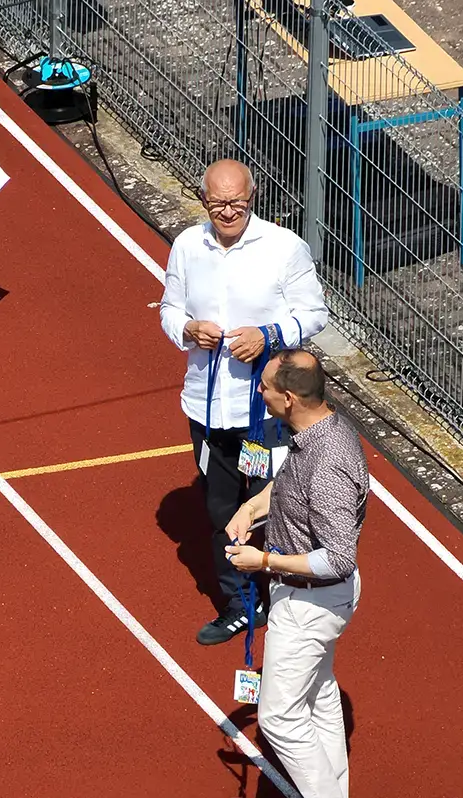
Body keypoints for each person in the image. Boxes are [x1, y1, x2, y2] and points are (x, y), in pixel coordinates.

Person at [159, 159, 329, 647]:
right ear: (203, 200)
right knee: (220, 509)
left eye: (237, 202)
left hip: (267, 413)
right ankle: (241, 603)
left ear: (252, 198)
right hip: (206, 407)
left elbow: (314, 313)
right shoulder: (187, 246)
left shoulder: (284, 248)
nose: (228, 212)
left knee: (278, 504)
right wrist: (187, 329)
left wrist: (268, 335)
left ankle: (290, 589)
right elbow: (169, 310)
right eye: (218, 203)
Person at [223, 351, 368, 798]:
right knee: (320, 700)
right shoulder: (316, 432)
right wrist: (251, 508)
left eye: (264, 387)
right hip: (307, 596)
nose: (259, 393)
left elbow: (338, 557)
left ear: (288, 397)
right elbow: (288, 488)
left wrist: (263, 560)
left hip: (312, 602)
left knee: (279, 718)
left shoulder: (328, 463)